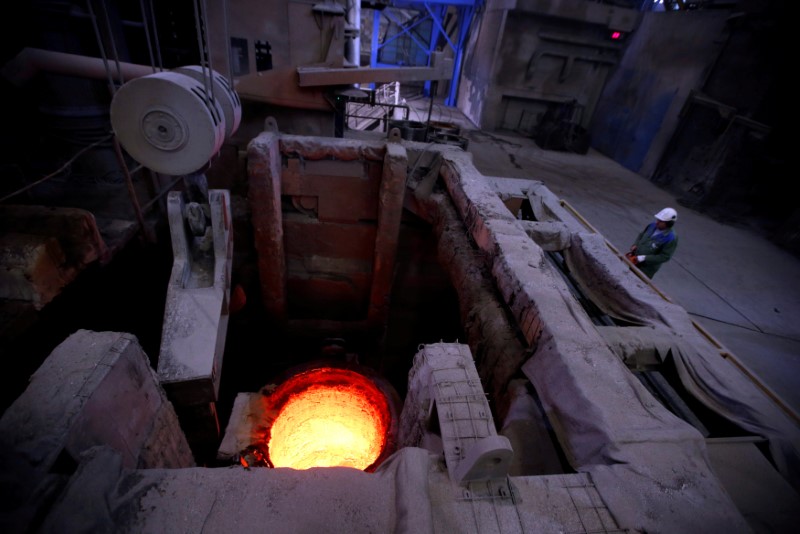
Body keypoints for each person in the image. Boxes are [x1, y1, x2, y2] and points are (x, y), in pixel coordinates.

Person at [626, 207, 678, 278]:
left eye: (660, 221)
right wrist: (635, 244)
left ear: (669, 224)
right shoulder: (652, 225)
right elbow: (641, 235)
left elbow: (664, 257)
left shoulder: (670, 238)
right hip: (635, 260)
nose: (657, 222)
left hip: (646, 269)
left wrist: (644, 258)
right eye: (658, 219)